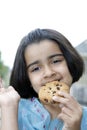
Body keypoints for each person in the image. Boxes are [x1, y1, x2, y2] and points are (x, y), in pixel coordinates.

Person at [0, 28, 87, 130]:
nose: (49, 73)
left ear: (70, 62)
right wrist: (8, 108)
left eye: (56, 61)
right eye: (36, 68)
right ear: (28, 78)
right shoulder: (13, 111)